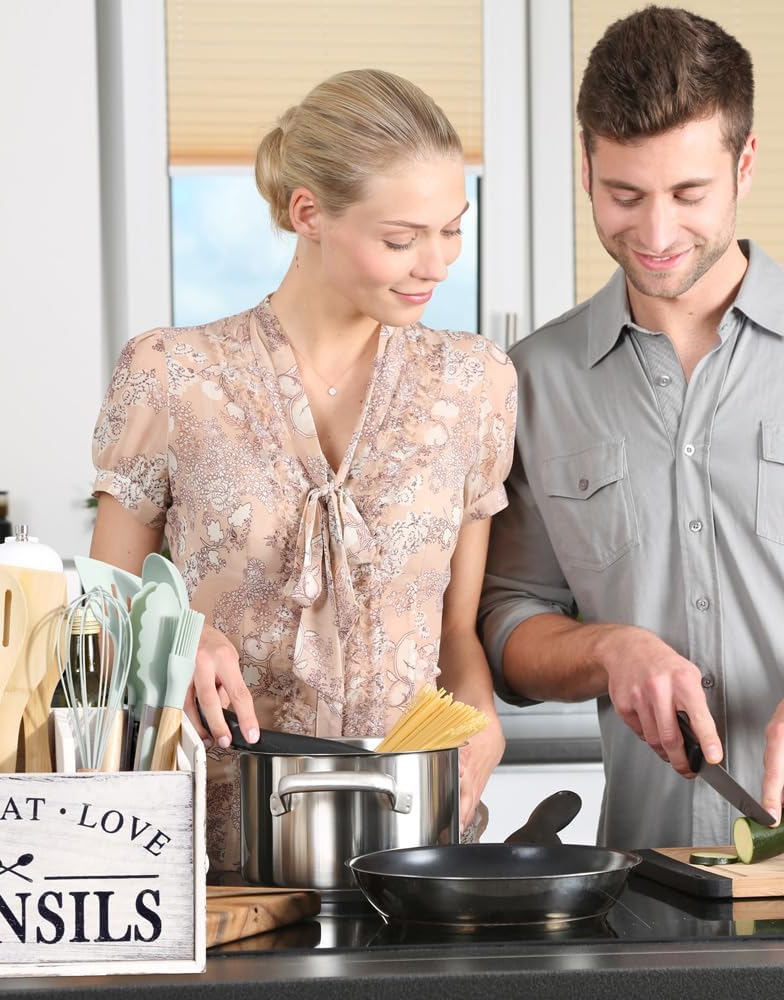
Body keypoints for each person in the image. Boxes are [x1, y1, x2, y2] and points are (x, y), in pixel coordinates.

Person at [90, 68, 516, 870]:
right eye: (401, 239)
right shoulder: (173, 374)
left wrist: (481, 715)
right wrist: (177, 637)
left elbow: (456, 631)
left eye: (452, 230)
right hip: (209, 850)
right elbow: (100, 611)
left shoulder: (475, 384)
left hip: (411, 840)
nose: (436, 264)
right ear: (308, 213)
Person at [479, 6, 784, 850]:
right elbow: (509, 622)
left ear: (744, 164)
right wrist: (610, 649)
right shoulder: (535, 380)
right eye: (625, 195)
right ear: (586, 169)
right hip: (649, 889)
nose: (655, 234)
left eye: (688, 194)